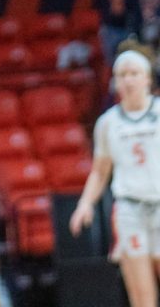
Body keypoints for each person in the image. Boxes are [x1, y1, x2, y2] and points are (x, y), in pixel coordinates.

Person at [70, 49, 160, 307]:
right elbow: (100, 171)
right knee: (142, 297)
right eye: (122, 75)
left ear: (147, 79)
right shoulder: (107, 123)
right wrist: (85, 203)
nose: (128, 80)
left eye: (134, 73)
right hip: (130, 210)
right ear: (115, 82)